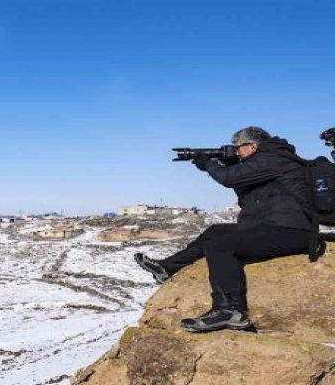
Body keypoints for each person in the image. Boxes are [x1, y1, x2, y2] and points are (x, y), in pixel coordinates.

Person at [134, 126, 316, 332]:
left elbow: (230, 179)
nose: (236, 152)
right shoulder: (268, 159)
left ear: (253, 146)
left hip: (291, 230)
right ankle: (167, 268)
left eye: (238, 148)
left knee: (221, 246)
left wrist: (210, 164)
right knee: (216, 232)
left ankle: (231, 310)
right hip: (274, 226)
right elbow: (244, 189)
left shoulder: (274, 158)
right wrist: (229, 164)